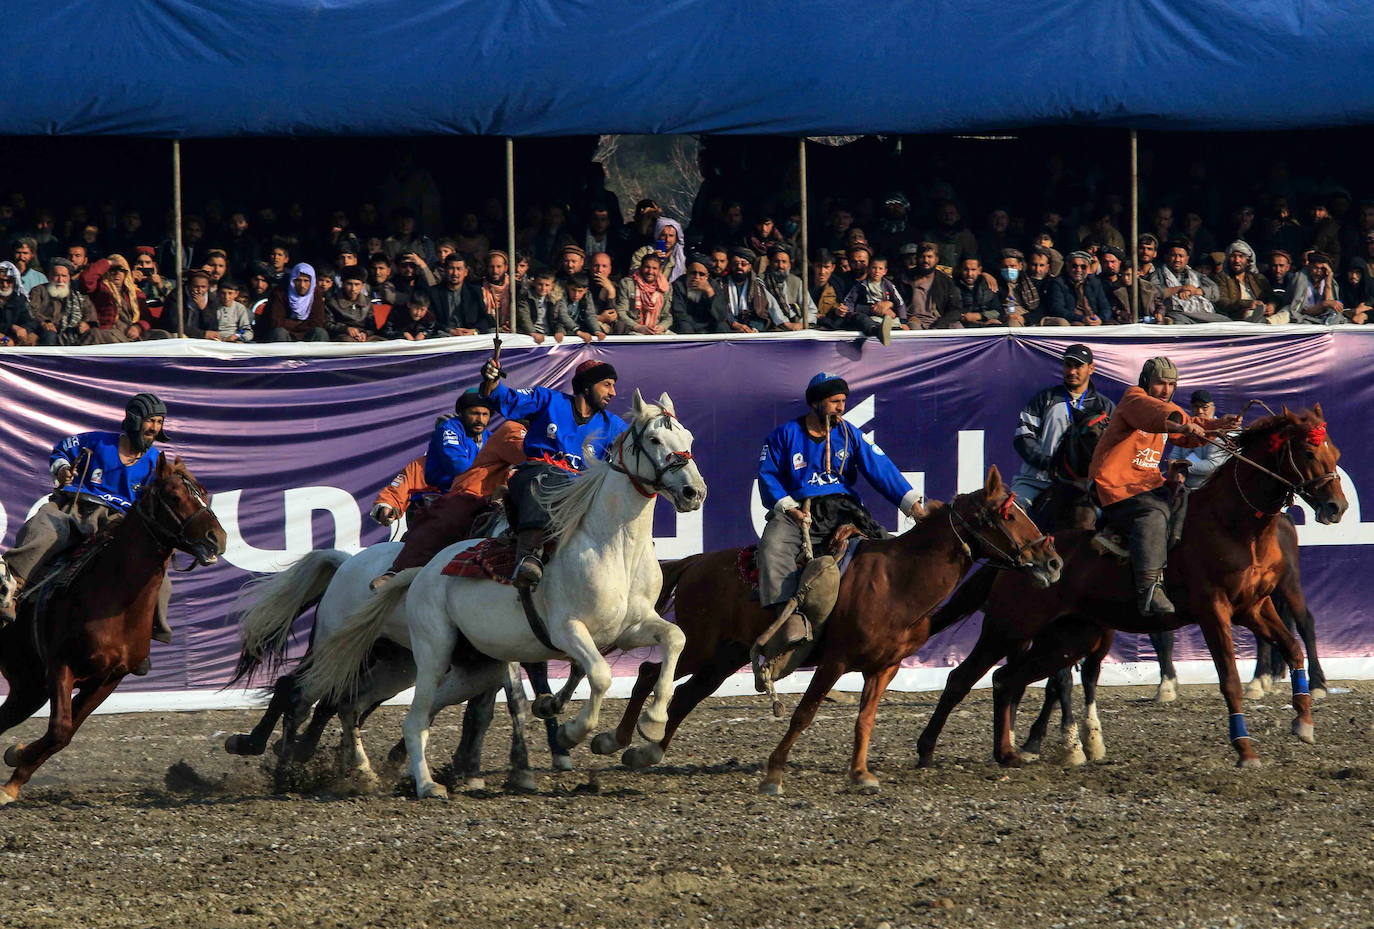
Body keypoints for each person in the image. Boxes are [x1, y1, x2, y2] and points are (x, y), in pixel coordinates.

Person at [755, 373, 925, 666]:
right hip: (800, 510)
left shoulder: (850, 434)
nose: (841, 407)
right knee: (772, 547)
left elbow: (881, 470)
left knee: (885, 551)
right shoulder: (785, 434)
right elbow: (767, 474)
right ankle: (787, 618)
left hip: (844, 509)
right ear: (817, 402)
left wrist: (912, 506)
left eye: (844, 401)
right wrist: (788, 507)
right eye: (835, 401)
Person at [0, 393, 177, 656]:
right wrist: (62, 470)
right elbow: (61, 450)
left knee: (158, 579)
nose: (154, 428)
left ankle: (144, 638)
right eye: (150, 420)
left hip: (118, 524)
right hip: (74, 509)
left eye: (159, 422)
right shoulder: (97, 441)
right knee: (44, 530)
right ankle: (8, 591)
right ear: (134, 419)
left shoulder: (155, 462)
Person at [1088, 357, 1237, 615]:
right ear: (1146, 382)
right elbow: (1154, 413)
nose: (1166, 389)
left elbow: (1189, 428)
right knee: (1153, 514)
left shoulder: (1169, 410)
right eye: (1160, 383)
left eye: (1171, 384)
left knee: (1183, 497)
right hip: (1115, 484)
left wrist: (1218, 424)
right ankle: (1149, 590)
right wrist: (1180, 423)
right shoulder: (1133, 398)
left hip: (1146, 483)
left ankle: (1168, 555)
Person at [478, 357, 626, 589]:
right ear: (587, 386)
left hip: (580, 489)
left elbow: (635, 447)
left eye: (614, 385)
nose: (613, 392)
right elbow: (506, 398)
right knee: (547, 476)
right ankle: (528, 555)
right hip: (537, 476)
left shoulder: (613, 425)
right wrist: (493, 381)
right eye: (607, 384)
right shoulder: (548, 400)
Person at [374, 417, 530, 586]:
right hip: (431, 512)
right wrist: (387, 505)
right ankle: (398, 571)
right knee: (444, 516)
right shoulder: (423, 465)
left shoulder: (486, 459)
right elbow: (399, 486)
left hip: (479, 503)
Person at [1011, 344, 1115, 509]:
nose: (1072, 371)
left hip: (1083, 488)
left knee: (1105, 522)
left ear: (1091, 368)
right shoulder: (1044, 399)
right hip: (1036, 482)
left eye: (1078, 366)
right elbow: (1023, 436)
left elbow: (1113, 448)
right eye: (1068, 365)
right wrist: (1049, 463)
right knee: (1010, 515)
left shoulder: (1104, 407)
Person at [424, 389, 493, 492]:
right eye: (475, 413)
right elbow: (457, 465)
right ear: (462, 413)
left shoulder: (489, 436)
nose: (480, 420)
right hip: (445, 493)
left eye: (485, 414)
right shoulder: (449, 429)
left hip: (476, 490)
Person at [1166, 390, 1231, 489]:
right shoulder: (1185, 429)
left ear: (1213, 408)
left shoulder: (1222, 431)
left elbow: (1212, 466)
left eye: (1204, 407)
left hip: (1212, 490)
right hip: (1185, 489)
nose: (1200, 411)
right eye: (1196, 407)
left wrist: (1181, 467)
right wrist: (1178, 467)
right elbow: (1174, 457)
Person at [1211, 241, 1277, 323]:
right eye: (1233, 256)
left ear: (1248, 261)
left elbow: (1273, 297)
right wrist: (1247, 304)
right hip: (1238, 316)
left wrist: (1272, 305)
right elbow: (1222, 302)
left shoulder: (1258, 278)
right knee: (1249, 313)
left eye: (1241, 256)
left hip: (1264, 312)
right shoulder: (1222, 278)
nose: (1236, 260)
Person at [263, 263, 329, 342]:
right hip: (286, 333)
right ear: (292, 280)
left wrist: (293, 324)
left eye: (306, 281)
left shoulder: (316, 293)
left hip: (307, 334)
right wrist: (299, 324)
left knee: (320, 332)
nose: (302, 285)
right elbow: (276, 321)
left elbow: (318, 321)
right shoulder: (280, 292)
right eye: (298, 280)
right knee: (279, 332)